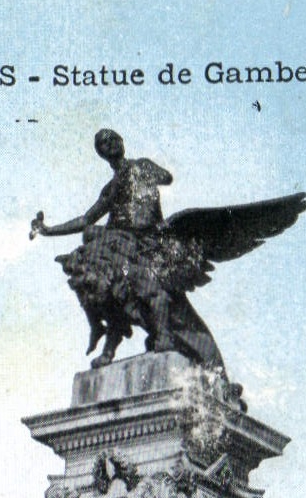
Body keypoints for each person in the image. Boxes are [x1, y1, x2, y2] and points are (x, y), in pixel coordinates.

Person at [30, 130, 221, 369]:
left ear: (121, 142)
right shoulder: (110, 188)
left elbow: (167, 178)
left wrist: (145, 172)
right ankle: (104, 339)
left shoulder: (140, 166)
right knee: (98, 280)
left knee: (152, 294)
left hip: (147, 244)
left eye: (112, 138)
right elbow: (86, 219)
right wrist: (48, 230)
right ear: (101, 153)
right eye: (103, 143)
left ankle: (163, 337)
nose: (109, 144)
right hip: (119, 242)